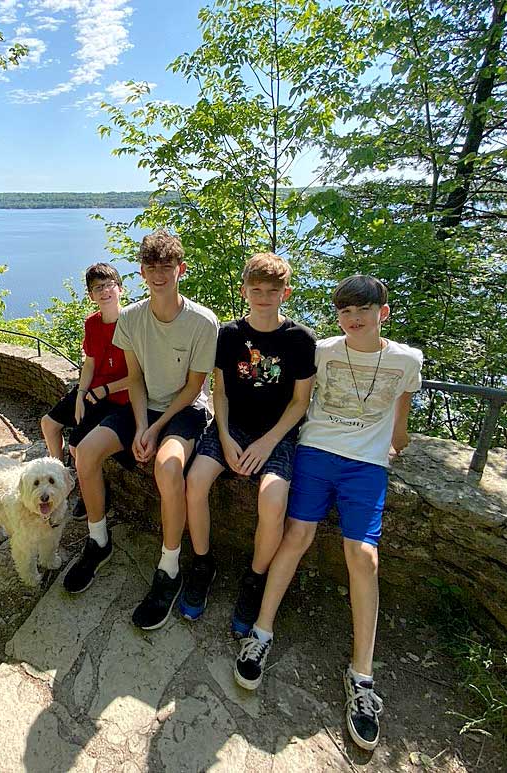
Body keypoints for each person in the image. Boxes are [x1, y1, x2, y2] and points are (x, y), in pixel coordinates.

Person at [233, 274, 423, 753]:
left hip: (366, 466)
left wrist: (393, 444)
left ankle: (362, 678)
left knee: (363, 556)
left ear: (383, 312)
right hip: (317, 451)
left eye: (363, 310)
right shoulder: (323, 350)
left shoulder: (406, 361)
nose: (354, 319)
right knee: (296, 535)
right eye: (345, 311)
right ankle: (261, 631)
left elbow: (399, 426)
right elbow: (292, 397)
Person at [63, 230, 219, 631]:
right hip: (142, 406)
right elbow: (135, 379)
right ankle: (99, 540)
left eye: (166, 267)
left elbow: (193, 387)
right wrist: (141, 425)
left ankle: (170, 568)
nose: (158, 274)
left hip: (184, 411)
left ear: (180, 269)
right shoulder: (131, 318)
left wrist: (157, 427)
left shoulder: (202, 322)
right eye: (151, 267)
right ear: (141, 272)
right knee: (86, 450)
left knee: (168, 468)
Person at [179, 253, 316, 633]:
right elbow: (217, 392)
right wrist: (223, 436)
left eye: (273, 291)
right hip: (232, 427)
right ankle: (203, 563)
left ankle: (255, 578)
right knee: (195, 481)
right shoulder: (230, 334)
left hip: (277, 434)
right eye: (257, 290)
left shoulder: (300, 340)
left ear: (285, 293)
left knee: (273, 499)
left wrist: (268, 443)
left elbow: (300, 402)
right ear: (245, 291)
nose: (264, 297)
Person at [40, 262, 129, 508]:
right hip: (91, 391)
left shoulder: (132, 323)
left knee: (77, 446)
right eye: (97, 287)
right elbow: (89, 363)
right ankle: (58, 479)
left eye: (109, 285)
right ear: (91, 296)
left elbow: (140, 375)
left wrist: (103, 391)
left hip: (117, 397)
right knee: (49, 424)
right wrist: (79, 394)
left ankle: (89, 488)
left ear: (120, 288)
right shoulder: (92, 323)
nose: (104, 291)